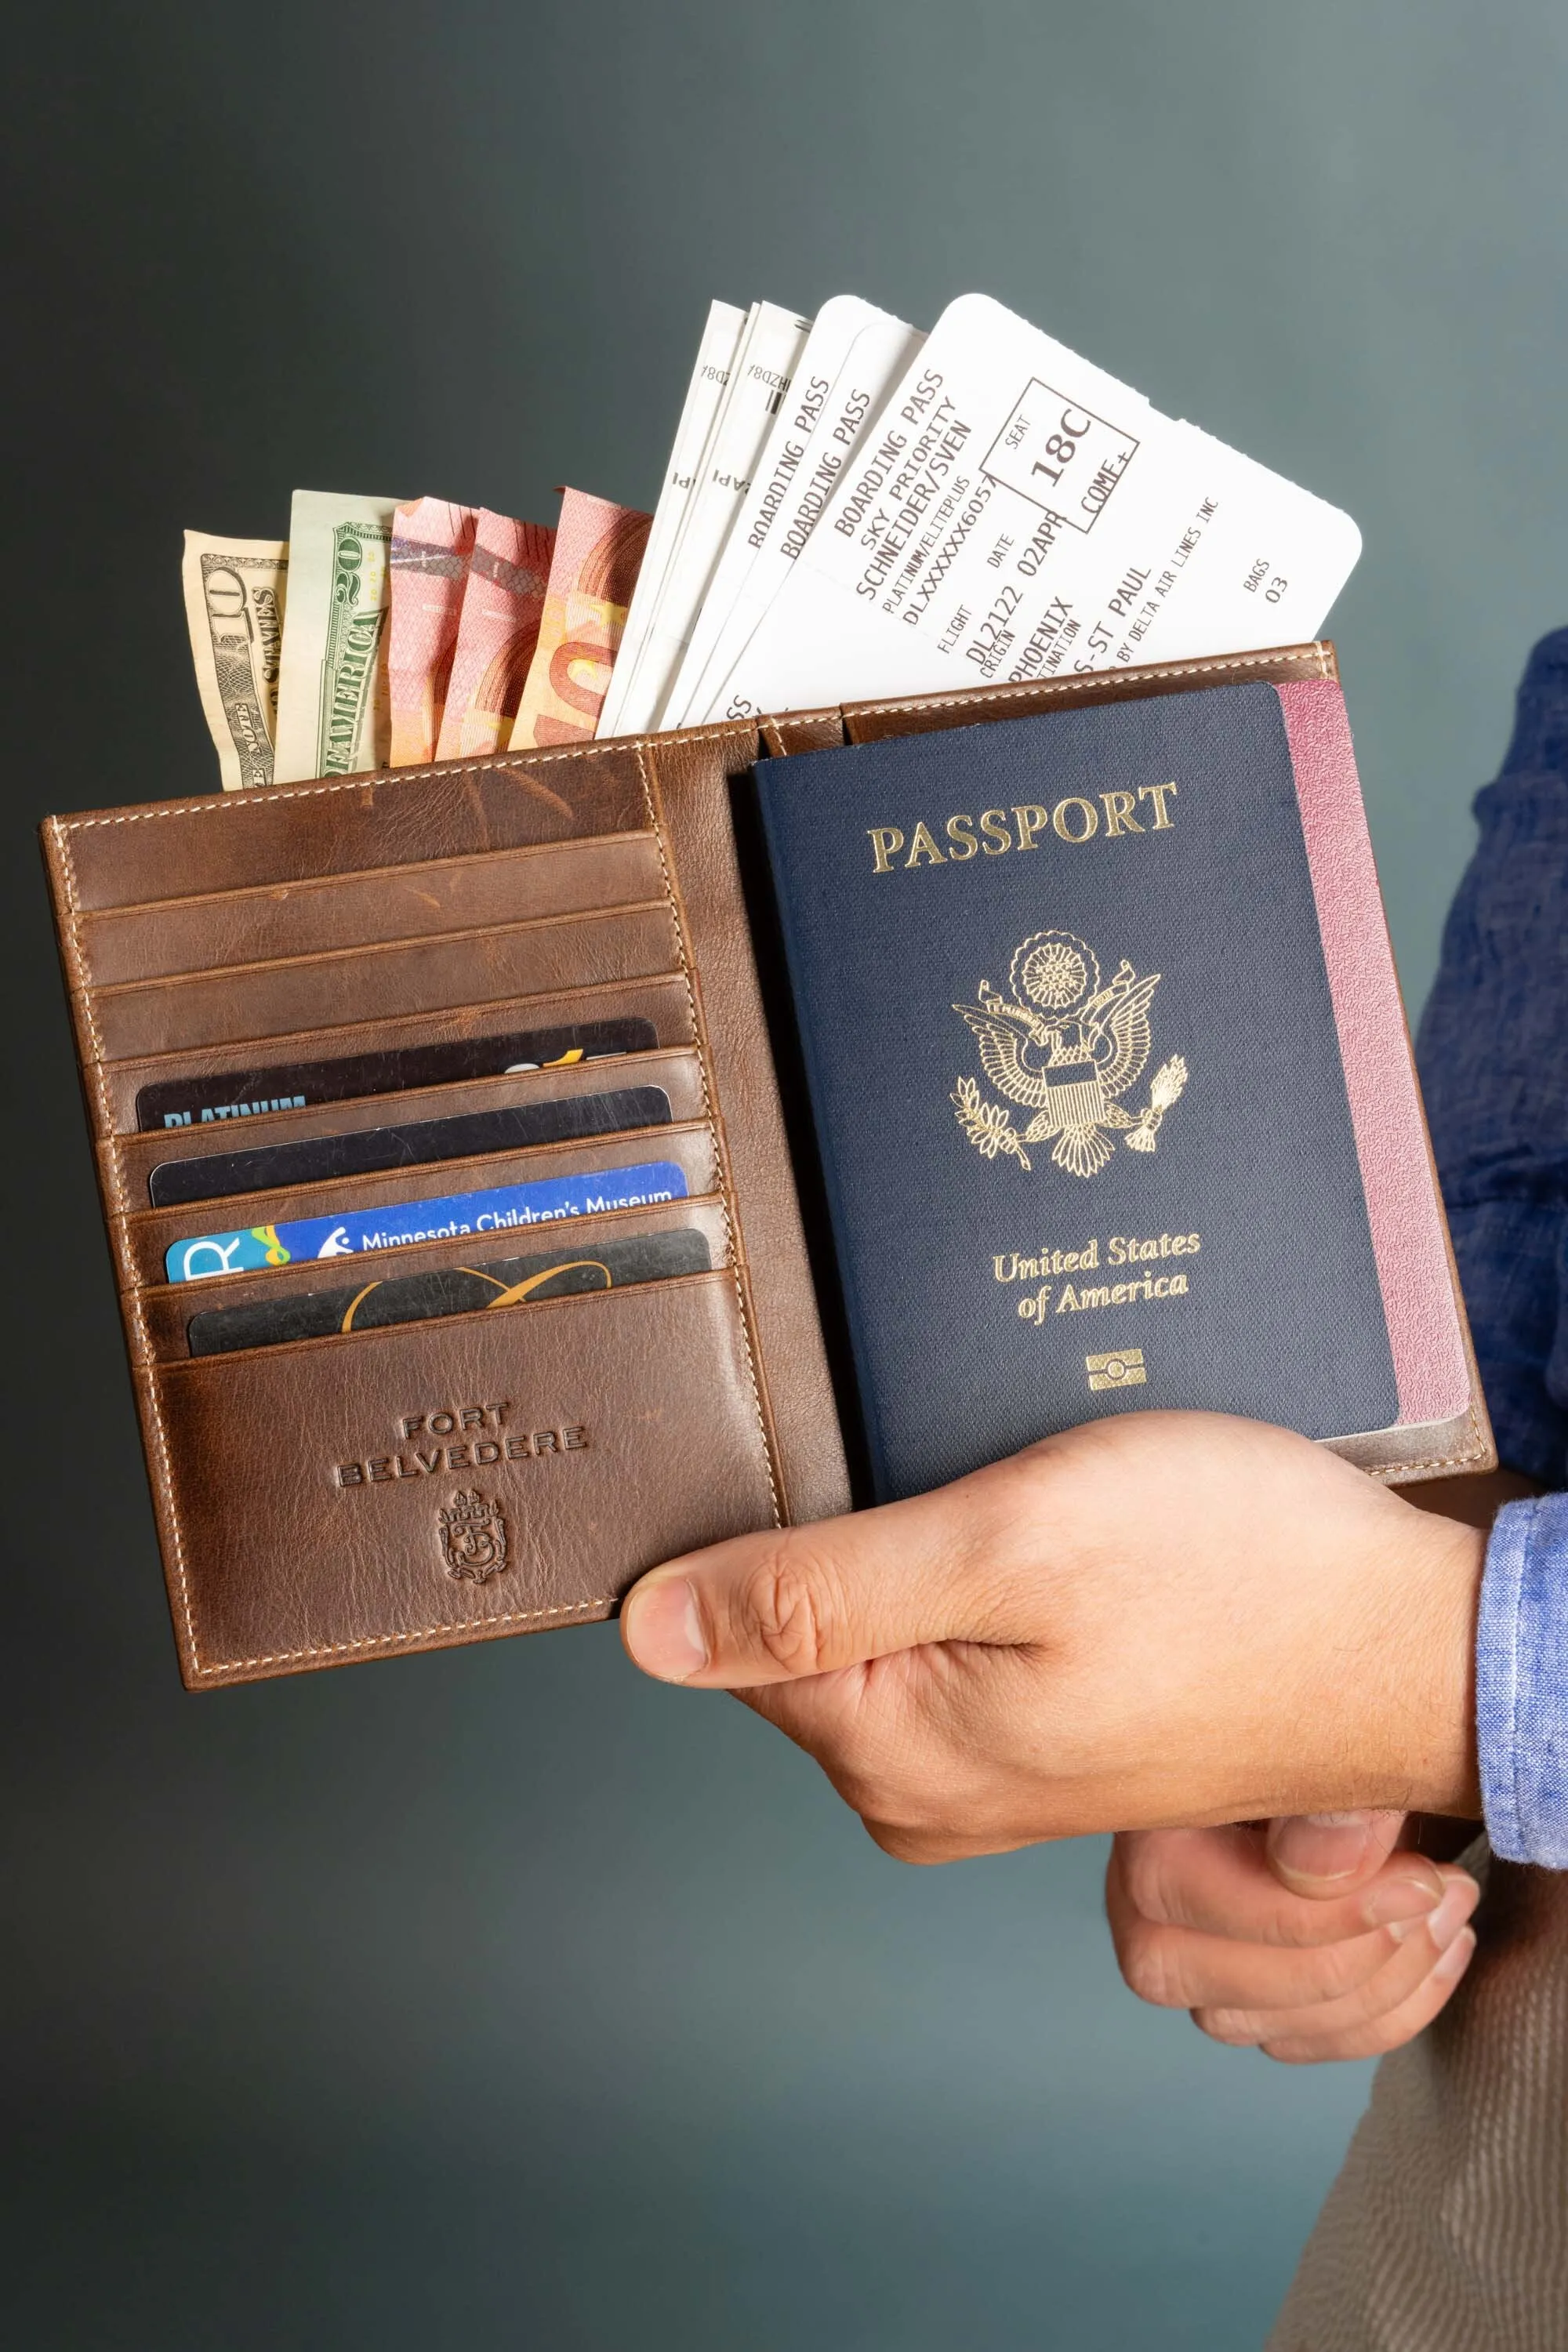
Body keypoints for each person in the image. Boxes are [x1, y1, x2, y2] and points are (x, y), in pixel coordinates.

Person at [621, 627, 1568, 2348]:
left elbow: (1432, 1640)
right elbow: (1518, 1218)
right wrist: (1309, 1742)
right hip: (1510, 2124)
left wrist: (1413, 1667)